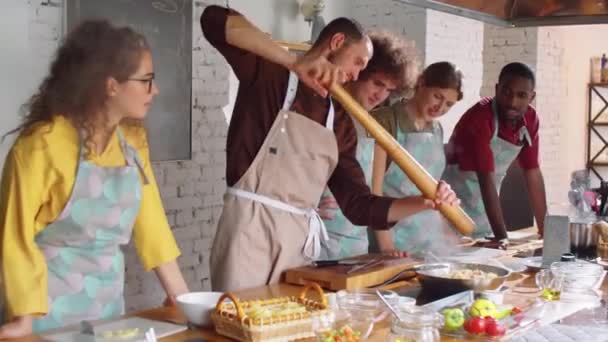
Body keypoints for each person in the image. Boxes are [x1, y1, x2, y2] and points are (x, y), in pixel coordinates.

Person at [201, 5, 459, 292]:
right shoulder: (270, 76)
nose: (356, 74)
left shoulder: (338, 122)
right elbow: (213, 19)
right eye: (358, 63)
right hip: (247, 233)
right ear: (336, 43)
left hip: (298, 247)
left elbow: (359, 206)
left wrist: (425, 201)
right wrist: (293, 62)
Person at [0, 20, 189, 338]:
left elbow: (152, 223)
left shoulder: (132, 142)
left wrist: (183, 300)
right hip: (47, 315)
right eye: (146, 81)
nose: (154, 90)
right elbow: (14, 238)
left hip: (109, 314)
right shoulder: (41, 144)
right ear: (111, 85)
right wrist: (24, 319)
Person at [318, 30, 420, 259]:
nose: (381, 95)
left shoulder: (374, 128)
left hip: (356, 246)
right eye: (377, 83)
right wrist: (307, 206)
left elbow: (373, 193)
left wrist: (387, 249)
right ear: (358, 72)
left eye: (389, 90)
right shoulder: (326, 114)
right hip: (317, 240)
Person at [443, 62, 547, 244]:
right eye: (507, 92)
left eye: (521, 95)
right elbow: (486, 179)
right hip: (452, 204)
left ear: (532, 97)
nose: (513, 102)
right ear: (497, 89)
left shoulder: (531, 120)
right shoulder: (480, 117)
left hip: (487, 209)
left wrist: (546, 231)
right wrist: (501, 237)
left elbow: (533, 172)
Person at [370, 62, 463, 257]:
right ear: (421, 83)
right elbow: (374, 193)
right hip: (395, 238)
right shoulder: (385, 121)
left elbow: (433, 187)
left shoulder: (436, 130)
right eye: (437, 96)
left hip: (431, 239)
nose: (440, 108)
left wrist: (452, 241)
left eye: (448, 104)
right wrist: (387, 249)